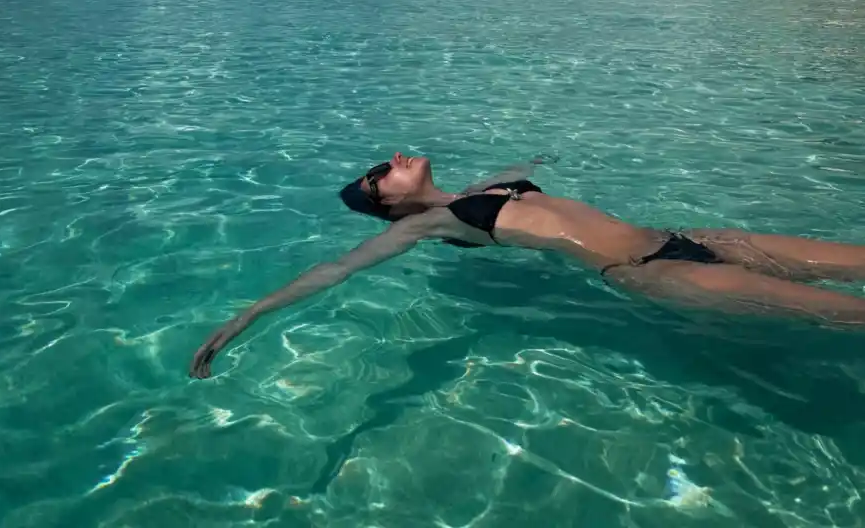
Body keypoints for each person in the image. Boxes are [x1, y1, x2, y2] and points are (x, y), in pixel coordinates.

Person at [189, 154, 865, 378]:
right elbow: (335, 270)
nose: (392, 161)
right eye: (379, 174)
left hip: (693, 238)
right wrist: (247, 315)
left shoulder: (481, 188)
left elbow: (523, 168)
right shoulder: (431, 224)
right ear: (385, 206)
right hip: (656, 273)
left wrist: (534, 162)